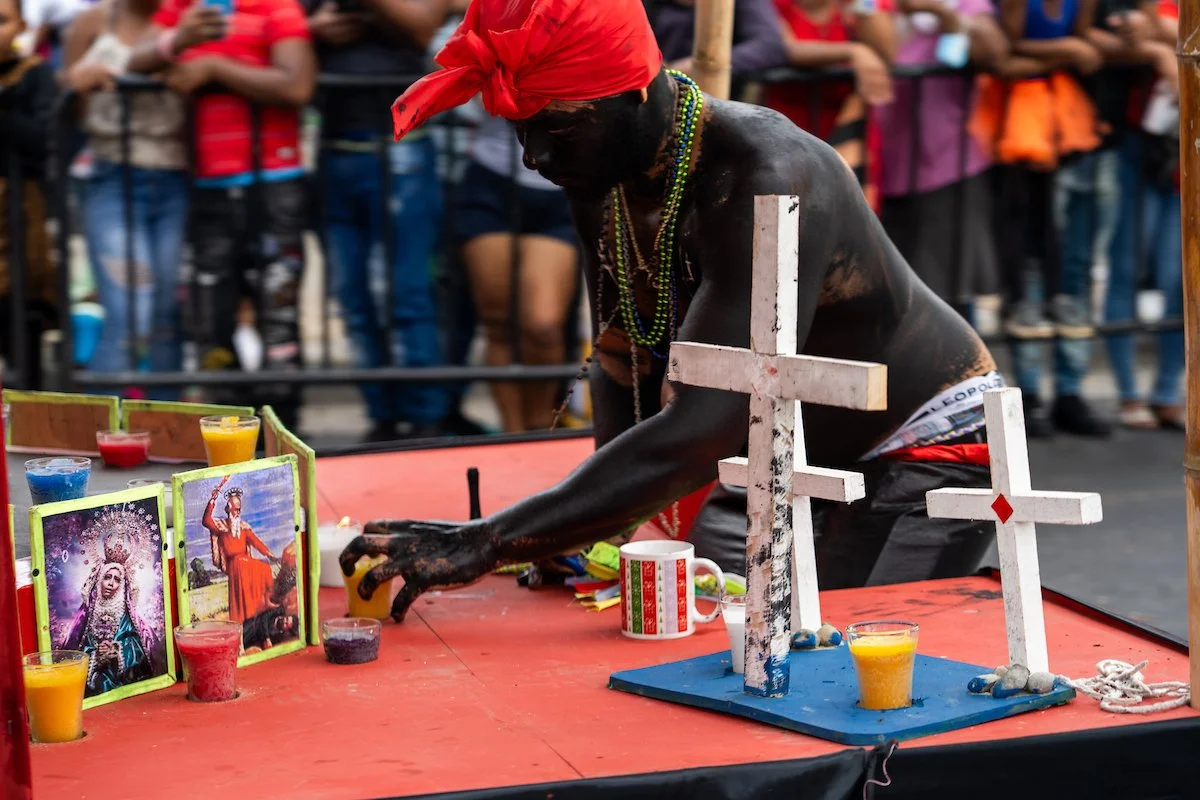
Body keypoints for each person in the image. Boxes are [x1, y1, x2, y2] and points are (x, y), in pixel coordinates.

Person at [341, 0, 1004, 619]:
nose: (534, 157)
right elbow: (622, 357)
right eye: (520, 129)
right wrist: (583, 527)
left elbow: (710, 419)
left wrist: (494, 539)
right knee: (703, 629)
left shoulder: (764, 173)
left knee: (829, 647)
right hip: (779, 453)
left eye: (556, 128)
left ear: (634, 93)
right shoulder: (595, 169)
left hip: (925, 444)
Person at [126, 0, 316, 430]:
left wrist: (214, 67)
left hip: (273, 184)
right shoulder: (182, 8)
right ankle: (228, 435)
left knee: (277, 314)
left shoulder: (276, 7)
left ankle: (282, 434)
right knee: (210, 318)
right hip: (205, 186)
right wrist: (177, 40)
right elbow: (132, 59)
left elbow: (297, 85)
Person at [305, 0, 451, 442]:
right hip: (336, 146)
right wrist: (314, 27)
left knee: (404, 291)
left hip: (400, 145)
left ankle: (424, 415)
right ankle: (383, 415)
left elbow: (426, 25)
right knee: (352, 297)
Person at [62, 0, 190, 397]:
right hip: (111, 176)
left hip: (174, 177)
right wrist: (74, 81)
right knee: (129, 314)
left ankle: (172, 434)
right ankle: (96, 436)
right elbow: (62, 95)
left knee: (167, 315)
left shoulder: (183, 18)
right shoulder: (93, 21)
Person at [876, 0, 1007, 315]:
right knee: (895, 294)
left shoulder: (966, 5)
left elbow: (995, 52)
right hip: (887, 168)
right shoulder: (882, 9)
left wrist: (944, 14)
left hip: (949, 165)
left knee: (952, 292)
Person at [1104, 0, 1182, 429]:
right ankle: (1129, 393)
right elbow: (1119, 34)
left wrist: (1162, 41)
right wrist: (1156, 48)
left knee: (1180, 279)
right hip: (1140, 148)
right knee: (1126, 269)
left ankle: (1168, 392)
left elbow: (1159, 32)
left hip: (1183, 154)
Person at [762, 0, 896, 211]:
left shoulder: (855, 8)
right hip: (790, 135)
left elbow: (887, 51)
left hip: (849, 131)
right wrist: (853, 51)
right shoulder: (777, 5)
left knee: (850, 218)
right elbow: (786, 48)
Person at [0, 0, 58, 387]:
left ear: (21, 24)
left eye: (2, 20)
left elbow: (42, 141)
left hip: (19, 214)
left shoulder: (34, 75)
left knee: (21, 319)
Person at [62, 552, 155, 697]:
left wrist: (116, 650)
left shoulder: (127, 615)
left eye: (117, 579)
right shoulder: (88, 614)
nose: (111, 583)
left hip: (120, 677)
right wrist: (95, 656)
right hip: (91, 676)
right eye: (107, 577)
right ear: (99, 580)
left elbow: (138, 645)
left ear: (122, 585)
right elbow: (76, 649)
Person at [202, 477, 277, 623]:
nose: (237, 512)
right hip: (234, 564)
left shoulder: (243, 526)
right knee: (243, 570)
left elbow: (256, 542)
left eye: (239, 509)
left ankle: (264, 603)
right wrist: (212, 500)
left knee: (266, 568)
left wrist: (270, 554)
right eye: (235, 508)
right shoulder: (220, 525)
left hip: (245, 561)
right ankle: (242, 620)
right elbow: (206, 520)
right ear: (228, 508)